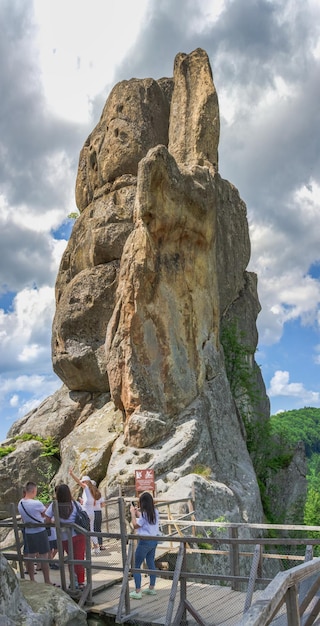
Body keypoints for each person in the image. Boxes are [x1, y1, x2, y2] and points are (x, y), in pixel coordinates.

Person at [45, 483, 86, 589]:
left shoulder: (54, 505)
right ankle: (81, 582)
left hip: (64, 537)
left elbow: (47, 520)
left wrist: (56, 522)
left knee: (70, 559)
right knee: (79, 559)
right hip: (79, 534)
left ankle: (73, 582)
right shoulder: (75, 504)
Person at [18, 481, 52, 585]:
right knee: (44, 556)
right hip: (40, 531)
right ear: (33, 491)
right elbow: (45, 515)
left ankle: (32, 579)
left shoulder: (20, 503)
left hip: (28, 532)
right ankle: (47, 580)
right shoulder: (36, 503)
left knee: (30, 556)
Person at [129, 492, 160, 599]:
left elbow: (135, 525)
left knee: (136, 566)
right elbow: (146, 521)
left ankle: (138, 591)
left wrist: (133, 514)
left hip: (144, 542)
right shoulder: (155, 512)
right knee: (151, 563)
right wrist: (138, 513)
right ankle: (151, 588)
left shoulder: (145, 514)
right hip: (154, 541)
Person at [69, 468, 101, 555]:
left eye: (83, 482)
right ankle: (96, 547)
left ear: (86, 482)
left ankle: (87, 549)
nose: (82, 483)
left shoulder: (86, 488)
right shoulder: (93, 490)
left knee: (83, 530)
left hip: (85, 513)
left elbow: (78, 482)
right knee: (91, 530)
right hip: (91, 512)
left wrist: (71, 474)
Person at [92, 480, 106, 550]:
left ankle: (95, 545)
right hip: (98, 512)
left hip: (91, 512)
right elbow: (103, 504)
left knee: (92, 529)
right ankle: (100, 544)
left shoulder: (88, 494)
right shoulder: (99, 494)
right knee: (98, 529)